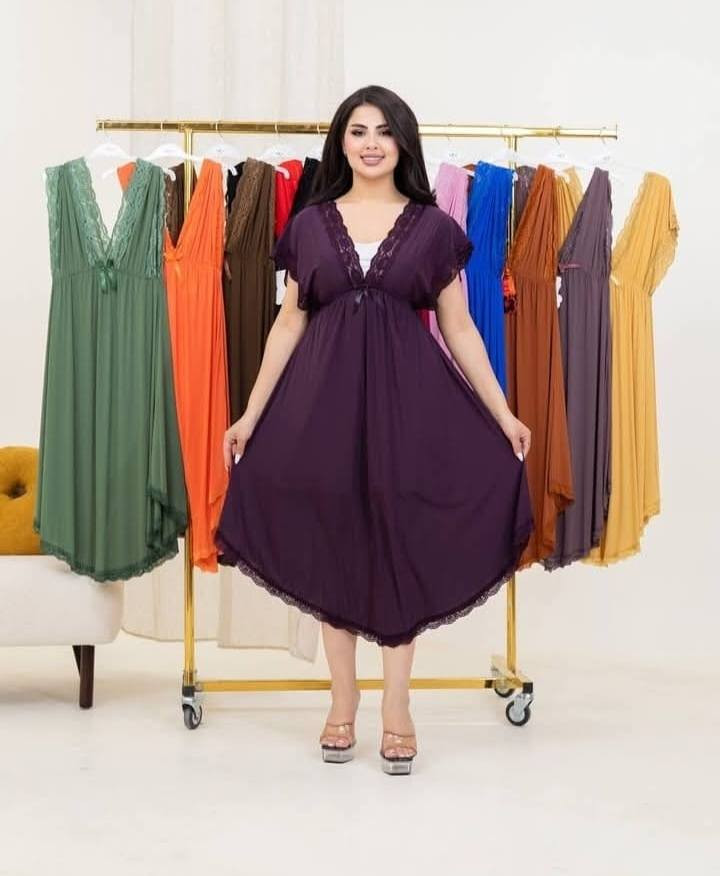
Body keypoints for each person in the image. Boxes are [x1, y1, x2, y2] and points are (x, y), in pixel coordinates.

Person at [216, 85, 533, 775]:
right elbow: (289, 323)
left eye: (384, 131)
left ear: (402, 143)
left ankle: (397, 703)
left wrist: (502, 412)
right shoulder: (309, 224)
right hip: (321, 409)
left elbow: (459, 327)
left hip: (408, 409)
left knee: (399, 540)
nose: (370, 143)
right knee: (334, 542)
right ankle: (342, 699)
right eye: (358, 130)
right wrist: (251, 413)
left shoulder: (432, 227)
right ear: (341, 142)